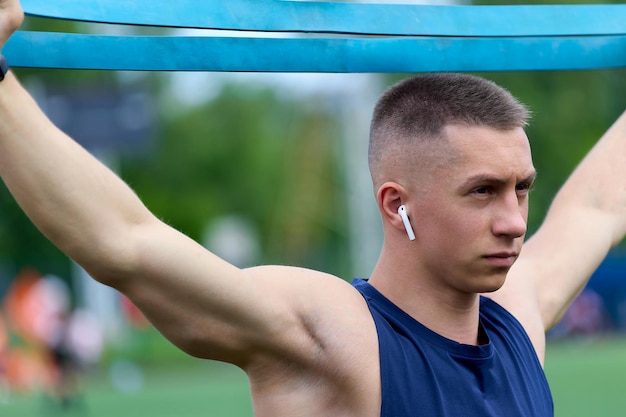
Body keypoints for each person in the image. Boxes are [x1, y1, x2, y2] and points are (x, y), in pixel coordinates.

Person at [1, 1, 625, 415]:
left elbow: (598, 203)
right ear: (395, 204)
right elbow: (124, 244)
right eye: (482, 191)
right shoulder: (339, 337)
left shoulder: (518, 315)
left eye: (522, 189)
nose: (515, 221)